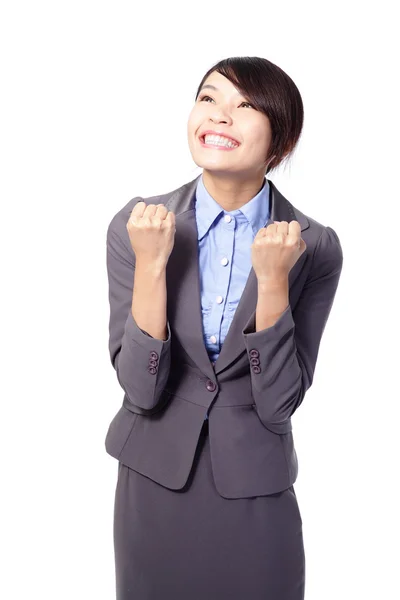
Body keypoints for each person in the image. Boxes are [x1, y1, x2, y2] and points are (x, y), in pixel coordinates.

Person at [104, 56, 343, 600]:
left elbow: (279, 400)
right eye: (209, 99)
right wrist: (151, 265)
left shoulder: (315, 245)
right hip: (154, 482)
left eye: (246, 105)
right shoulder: (137, 224)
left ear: (280, 140)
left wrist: (274, 281)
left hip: (255, 489)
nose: (220, 117)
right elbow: (140, 389)